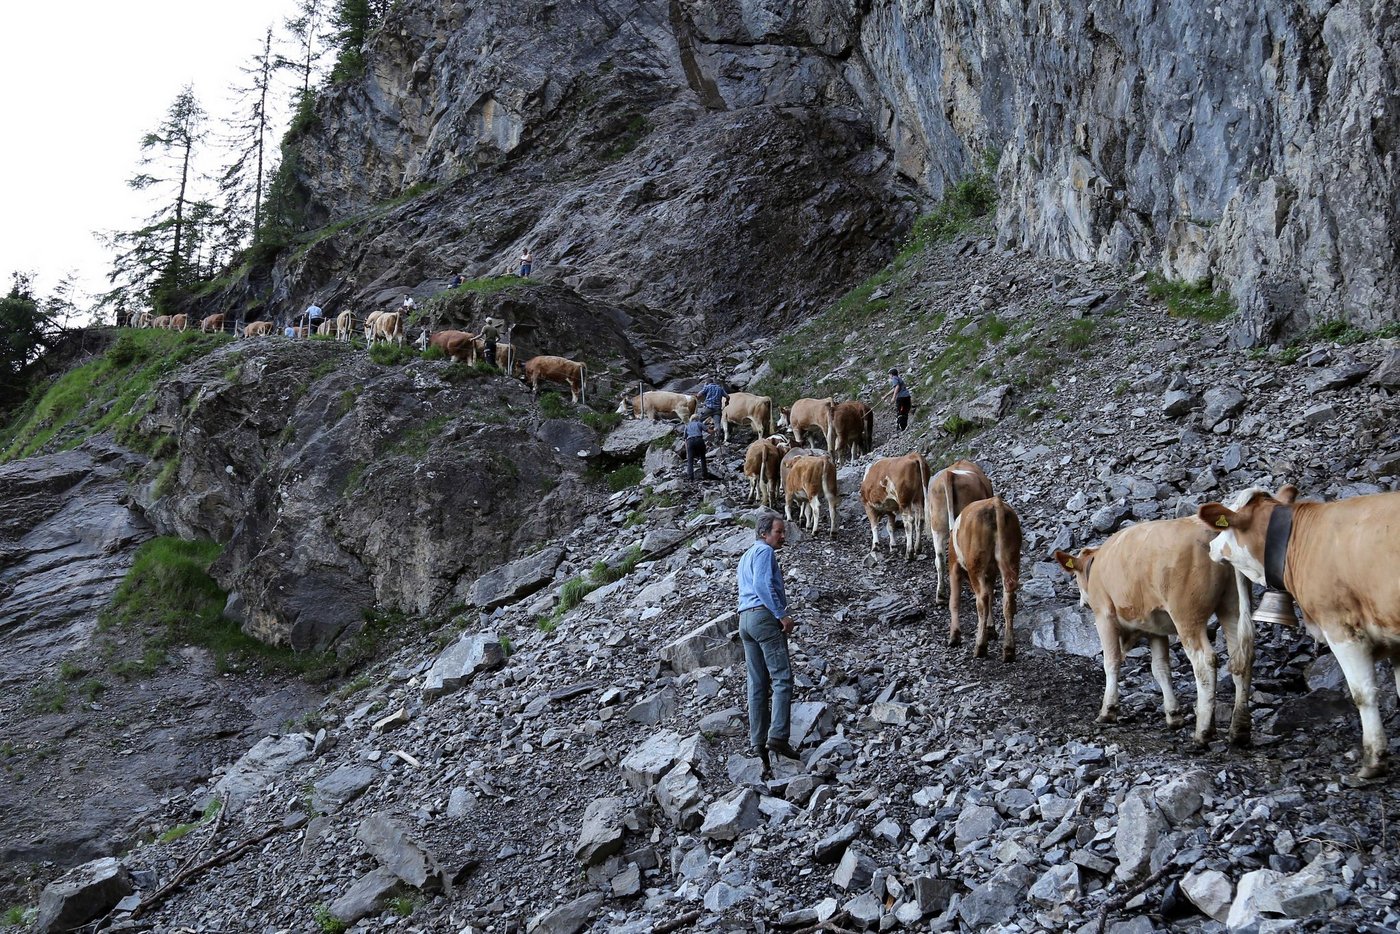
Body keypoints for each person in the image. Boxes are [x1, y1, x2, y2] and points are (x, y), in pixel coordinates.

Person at [737, 514, 797, 764]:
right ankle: (778, 737)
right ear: (764, 533)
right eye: (779, 532)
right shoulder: (764, 553)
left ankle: (757, 741)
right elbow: (763, 585)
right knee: (782, 678)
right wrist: (781, 614)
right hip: (763, 618)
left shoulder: (746, 555)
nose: (783, 537)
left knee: (757, 683)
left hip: (745, 620)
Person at [683, 414, 715, 483]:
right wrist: (715, 430)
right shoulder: (699, 423)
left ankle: (690, 477)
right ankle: (704, 475)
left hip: (690, 441)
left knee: (690, 460)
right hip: (699, 440)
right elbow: (709, 431)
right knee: (703, 458)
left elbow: (685, 438)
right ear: (697, 419)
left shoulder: (687, 426)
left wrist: (687, 450)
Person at [881, 367, 912, 432]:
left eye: (889, 374)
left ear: (891, 374)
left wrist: (893, 397)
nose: (889, 376)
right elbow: (894, 389)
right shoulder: (899, 379)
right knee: (904, 411)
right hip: (907, 396)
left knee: (900, 412)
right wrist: (885, 396)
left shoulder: (894, 378)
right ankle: (903, 426)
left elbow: (897, 387)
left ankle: (901, 427)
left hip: (901, 397)